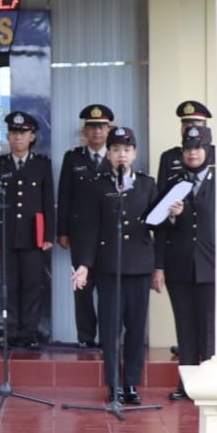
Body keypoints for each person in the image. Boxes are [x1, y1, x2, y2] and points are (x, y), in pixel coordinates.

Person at [70, 126, 158, 404]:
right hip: (109, 267)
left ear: (135, 154)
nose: (122, 155)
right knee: (110, 329)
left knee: (135, 328)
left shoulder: (147, 184)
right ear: (108, 154)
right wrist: (84, 264)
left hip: (140, 266)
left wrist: (173, 215)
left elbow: (159, 225)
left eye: (127, 150)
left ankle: (131, 383)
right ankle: (114, 384)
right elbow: (89, 229)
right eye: (116, 150)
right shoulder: (96, 185)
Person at [153, 125, 215, 401]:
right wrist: (173, 216)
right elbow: (159, 226)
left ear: (208, 150)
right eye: (188, 149)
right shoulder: (174, 182)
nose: (193, 154)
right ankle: (187, 385)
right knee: (185, 326)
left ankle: (210, 384)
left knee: (209, 328)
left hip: (211, 266)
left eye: (198, 148)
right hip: (180, 266)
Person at [0, 111, 54, 350]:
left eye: (23, 133)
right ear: (8, 136)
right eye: (14, 133)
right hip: (7, 236)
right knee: (9, 286)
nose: (17, 138)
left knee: (33, 286)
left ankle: (30, 333)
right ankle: (11, 332)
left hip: (33, 237)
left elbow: (48, 202)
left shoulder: (42, 164)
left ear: (32, 136)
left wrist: (48, 236)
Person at [57, 104, 115, 348]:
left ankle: (109, 337)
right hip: (81, 234)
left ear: (109, 129)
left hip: (110, 234)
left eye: (101, 127)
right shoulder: (73, 157)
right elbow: (65, 196)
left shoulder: (117, 156)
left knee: (108, 290)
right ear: (85, 130)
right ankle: (86, 338)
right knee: (82, 288)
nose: (97, 132)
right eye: (92, 127)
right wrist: (62, 231)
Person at [156, 100, 213, 191]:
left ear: (205, 127)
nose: (190, 129)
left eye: (195, 124)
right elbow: (161, 193)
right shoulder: (169, 157)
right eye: (185, 125)